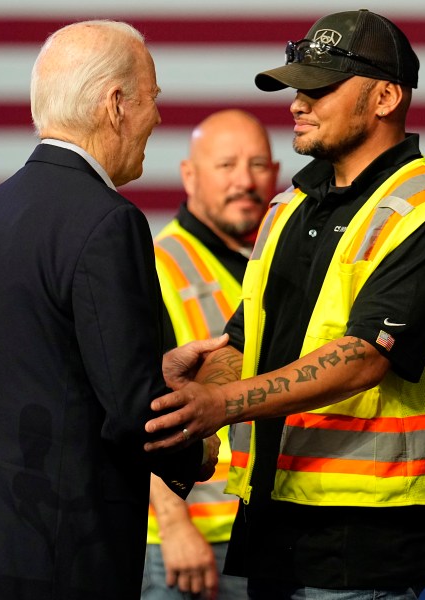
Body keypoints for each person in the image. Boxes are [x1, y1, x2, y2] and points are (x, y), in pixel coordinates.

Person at [143, 9, 425, 599]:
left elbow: (363, 357)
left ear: (385, 97)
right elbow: (240, 338)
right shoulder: (287, 210)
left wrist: (220, 403)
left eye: (320, 87)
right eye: (297, 88)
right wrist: (193, 416)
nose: (297, 104)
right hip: (271, 531)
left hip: (365, 547)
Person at [0, 20, 218, 600]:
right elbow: (128, 409)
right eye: (153, 98)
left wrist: (154, 371)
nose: (159, 119)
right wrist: (197, 446)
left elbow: (35, 367)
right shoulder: (108, 221)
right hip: (72, 544)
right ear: (116, 105)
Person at [144, 109, 278, 600]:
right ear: (189, 175)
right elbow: (130, 409)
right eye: (226, 165)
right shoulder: (155, 266)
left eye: (258, 164)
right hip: (187, 543)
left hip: (256, 531)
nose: (244, 180)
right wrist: (175, 525)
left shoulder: (264, 265)